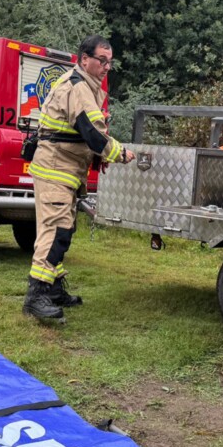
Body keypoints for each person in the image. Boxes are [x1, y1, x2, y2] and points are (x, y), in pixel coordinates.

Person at [23, 35, 137, 321]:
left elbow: (79, 134)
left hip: (64, 172)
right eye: (102, 60)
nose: (107, 66)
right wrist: (119, 153)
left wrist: (98, 157)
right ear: (84, 59)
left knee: (64, 231)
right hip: (55, 171)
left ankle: (54, 287)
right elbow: (93, 134)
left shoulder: (87, 86)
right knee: (55, 231)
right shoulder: (78, 88)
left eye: (110, 62)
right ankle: (36, 295)